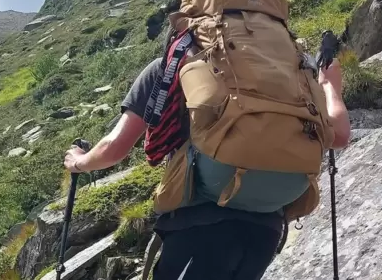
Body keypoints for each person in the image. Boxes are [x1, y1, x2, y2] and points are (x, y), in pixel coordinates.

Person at [64, 52, 351, 280]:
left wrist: (78, 162)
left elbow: (114, 149)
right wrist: (329, 87)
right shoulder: (291, 71)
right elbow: (338, 136)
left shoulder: (175, 65)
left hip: (198, 225)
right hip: (264, 231)